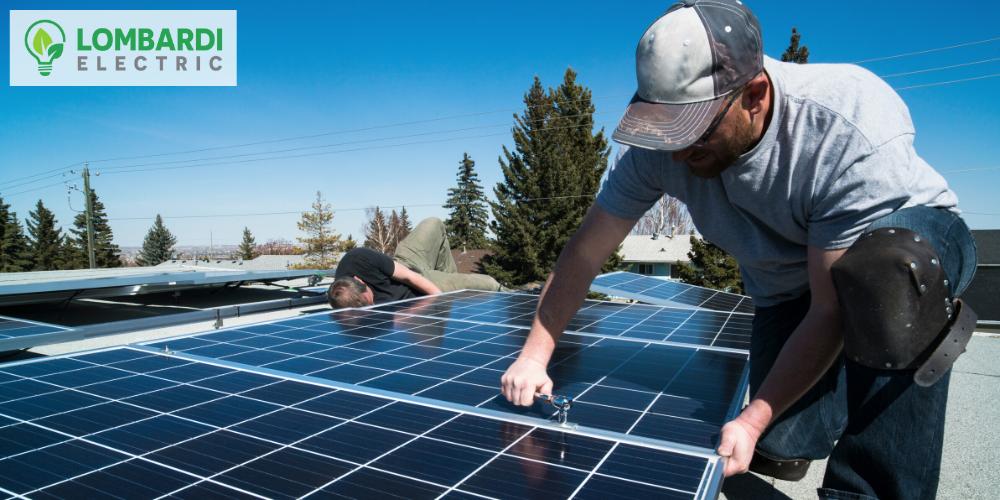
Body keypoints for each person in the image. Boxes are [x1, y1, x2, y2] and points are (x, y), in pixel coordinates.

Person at [499, 1, 977, 499]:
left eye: (695, 135)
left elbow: (830, 307)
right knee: (785, 439)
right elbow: (584, 253)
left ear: (754, 95)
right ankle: (838, 383)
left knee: (889, 278)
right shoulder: (661, 148)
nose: (678, 154)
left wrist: (750, 421)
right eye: (667, 134)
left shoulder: (842, 120)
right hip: (788, 285)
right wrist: (535, 356)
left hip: (908, 249)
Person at [328, 217, 502, 307]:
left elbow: (410, 277)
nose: (373, 305)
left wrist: (444, 301)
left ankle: (449, 278)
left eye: (370, 299)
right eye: (368, 307)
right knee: (488, 283)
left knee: (434, 223)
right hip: (416, 296)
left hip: (410, 270)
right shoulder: (345, 306)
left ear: (359, 280)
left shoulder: (359, 258)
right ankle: (523, 293)